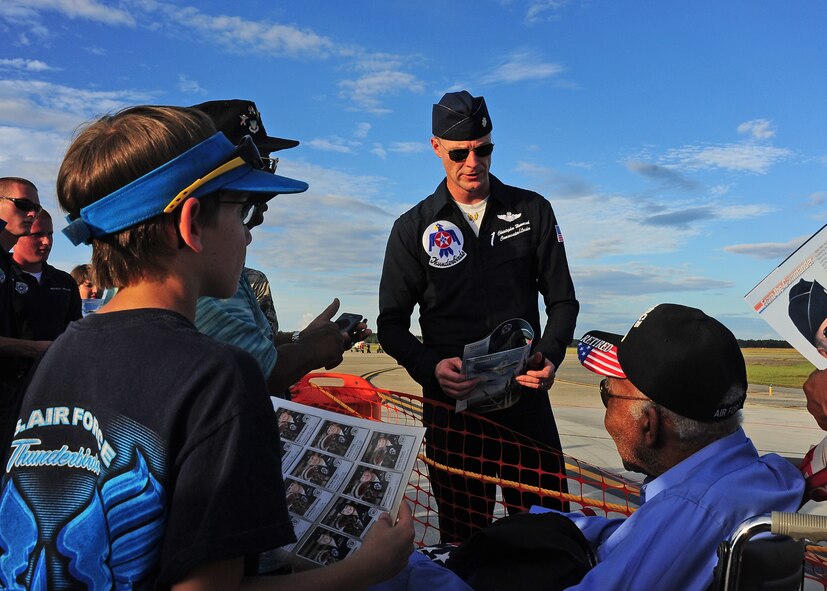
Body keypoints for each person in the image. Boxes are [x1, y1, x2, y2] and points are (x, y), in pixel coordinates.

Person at [0, 105, 412, 590]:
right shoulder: (221, 377)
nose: (249, 233)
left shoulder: (58, 356)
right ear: (192, 223)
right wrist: (367, 568)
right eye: (243, 212)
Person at [377, 90, 579, 541]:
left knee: (548, 539)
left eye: (482, 148)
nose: (472, 161)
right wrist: (430, 367)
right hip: (454, 417)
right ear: (435, 147)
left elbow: (563, 302)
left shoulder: (532, 210)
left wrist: (548, 356)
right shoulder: (413, 228)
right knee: (465, 546)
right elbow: (390, 322)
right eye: (458, 152)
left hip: (526, 410)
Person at [565, 303, 804, 590]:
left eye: (608, 393)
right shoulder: (775, 473)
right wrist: (569, 527)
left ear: (649, 425)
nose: (606, 404)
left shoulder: (687, 512)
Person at [191, 99, 367, 395]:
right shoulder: (202, 271)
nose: (267, 172)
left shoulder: (223, 260)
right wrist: (312, 349)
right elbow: (254, 370)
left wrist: (304, 338)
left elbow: (251, 342)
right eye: (259, 159)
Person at [8, 207, 81, 395]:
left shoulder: (65, 282)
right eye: (37, 234)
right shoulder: (3, 277)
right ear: (17, 235)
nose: (47, 242)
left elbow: (75, 330)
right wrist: (30, 349)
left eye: (50, 234)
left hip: (54, 386)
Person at [0, 176, 48, 456]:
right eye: (23, 204)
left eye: (37, 209)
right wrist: (33, 349)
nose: (32, 214)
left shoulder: (8, 264)